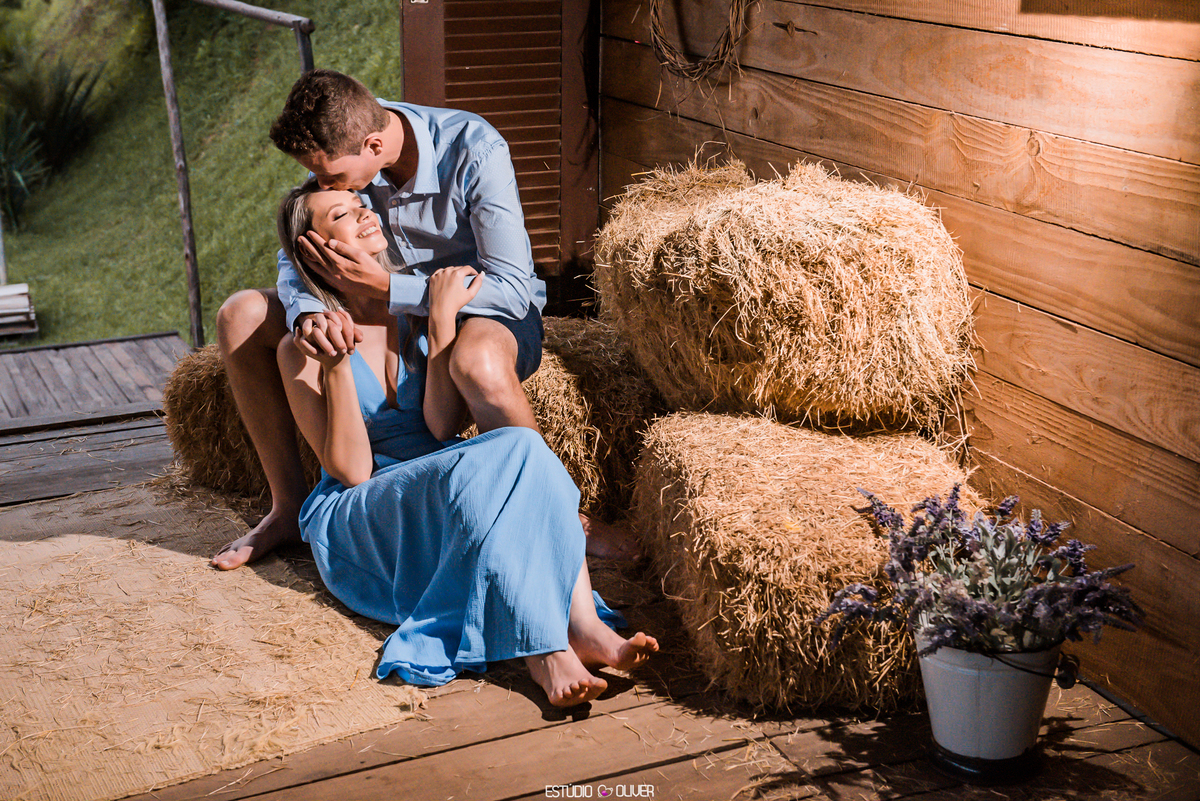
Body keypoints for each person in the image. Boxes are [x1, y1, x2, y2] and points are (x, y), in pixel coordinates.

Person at [212, 69, 637, 570]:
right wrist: (310, 310)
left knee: (476, 361)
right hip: (374, 312)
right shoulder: (340, 143)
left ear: (373, 144)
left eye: (331, 178)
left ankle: (564, 515)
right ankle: (288, 508)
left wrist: (393, 290)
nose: (322, 184)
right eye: (318, 178)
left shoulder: (474, 149)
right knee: (239, 314)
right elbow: (300, 240)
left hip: (475, 309)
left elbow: (512, 287)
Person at [274, 178, 657, 706]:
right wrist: (338, 367)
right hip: (363, 512)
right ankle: (545, 649)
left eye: (362, 205)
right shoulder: (302, 348)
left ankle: (586, 626)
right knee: (518, 448)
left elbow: (439, 428)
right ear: (315, 252)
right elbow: (352, 470)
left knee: (524, 449)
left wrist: (439, 319)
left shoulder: (409, 309)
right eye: (341, 215)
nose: (365, 214)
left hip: (433, 476)